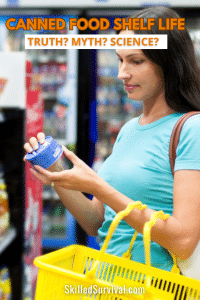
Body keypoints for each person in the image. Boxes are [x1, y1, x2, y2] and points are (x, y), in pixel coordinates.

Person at [24, 6, 200, 273]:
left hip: (155, 286)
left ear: (168, 62)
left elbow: (184, 241)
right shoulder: (129, 130)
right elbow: (97, 222)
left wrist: (99, 187)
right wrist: (57, 174)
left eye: (136, 61)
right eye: (119, 60)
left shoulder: (191, 129)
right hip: (109, 282)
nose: (122, 73)